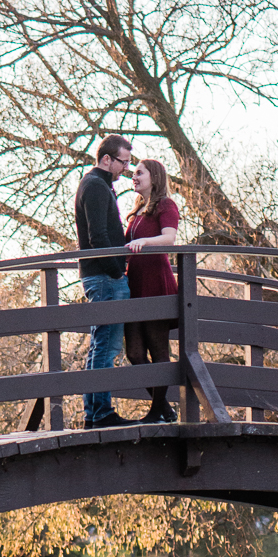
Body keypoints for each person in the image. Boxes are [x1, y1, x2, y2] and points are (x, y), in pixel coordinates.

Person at [74, 134, 134, 428]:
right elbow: (97, 235)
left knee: (102, 344)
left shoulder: (98, 185)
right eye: (123, 161)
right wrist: (117, 271)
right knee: (107, 346)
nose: (126, 168)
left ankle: (94, 413)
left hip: (100, 275)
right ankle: (100, 414)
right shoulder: (96, 186)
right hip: (103, 276)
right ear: (106, 159)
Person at [124, 159, 180, 423]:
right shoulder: (136, 211)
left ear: (154, 177)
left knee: (159, 352)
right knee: (134, 353)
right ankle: (165, 410)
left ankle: (157, 411)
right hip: (134, 287)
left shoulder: (165, 205)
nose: (133, 177)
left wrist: (145, 241)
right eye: (133, 173)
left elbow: (170, 238)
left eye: (139, 173)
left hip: (156, 284)